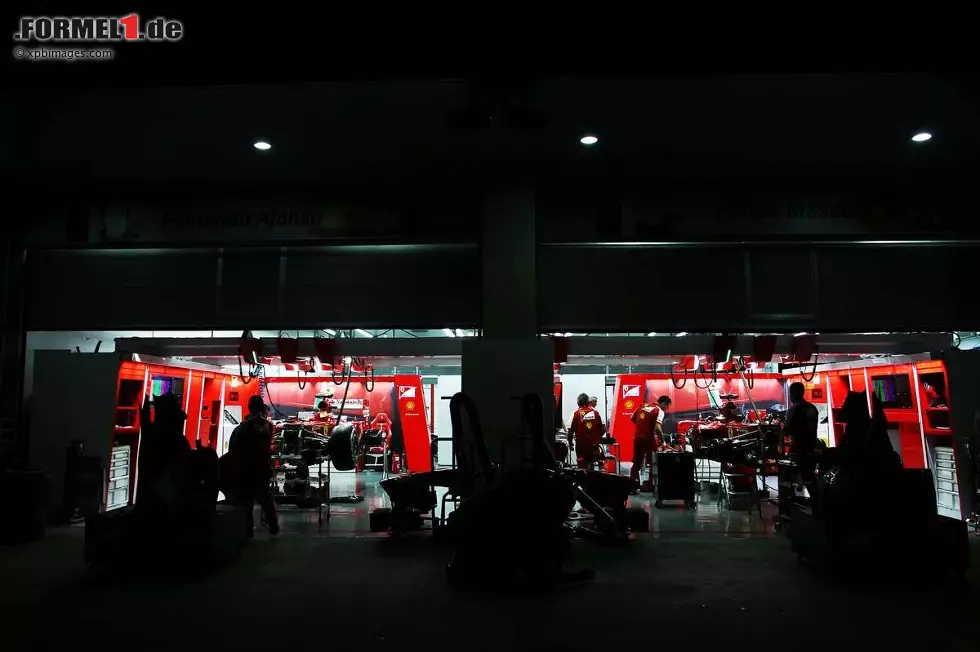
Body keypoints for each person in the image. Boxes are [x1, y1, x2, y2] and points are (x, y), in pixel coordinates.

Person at [228, 395, 279, 536]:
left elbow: (235, 447)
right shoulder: (268, 425)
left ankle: (248, 530)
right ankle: (273, 526)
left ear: (249, 407)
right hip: (263, 467)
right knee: (265, 498)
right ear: (262, 407)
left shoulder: (245, 426)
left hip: (247, 468)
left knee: (247, 500)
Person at [630, 395, 671, 490]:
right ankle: (651, 485)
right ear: (664, 404)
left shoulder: (643, 405)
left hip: (638, 437)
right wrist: (663, 442)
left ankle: (632, 485)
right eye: (667, 406)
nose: (667, 409)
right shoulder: (659, 410)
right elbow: (658, 429)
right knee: (653, 462)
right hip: (648, 438)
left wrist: (642, 426)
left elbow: (632, 418)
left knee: (637, 462)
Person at [784, 382, 819, 481]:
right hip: (812, 448)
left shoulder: (794, 409)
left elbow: (786, 430)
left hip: (799, 450)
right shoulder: (812, 407)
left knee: (792, 479)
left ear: (793, 394)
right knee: (810, 477)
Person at [568, 393, 604, 469]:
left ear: (578, 402)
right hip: (594, 445)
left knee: (582, 467)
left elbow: (571, 431)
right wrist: (597, 438)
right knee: (592, 464)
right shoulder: (595, 413)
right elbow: (602, 429)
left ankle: (583, 479)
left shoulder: (577, 413)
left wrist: (570, 443)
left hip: (581, 446)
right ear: (588, 402)